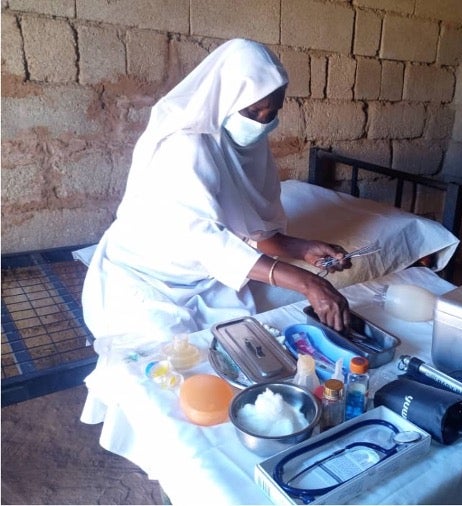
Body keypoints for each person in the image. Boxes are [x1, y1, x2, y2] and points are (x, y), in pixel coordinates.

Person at [81, 38, 352, 343]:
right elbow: (205, 241)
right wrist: (306, 283)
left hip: (207, 280)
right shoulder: (185, 145)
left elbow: (256, 233)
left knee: (250, 341)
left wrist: (303, 249)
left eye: (272, 113)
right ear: (225, 98)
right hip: (148, 278)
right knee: (167, 353)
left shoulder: (250, 146)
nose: (262, 123)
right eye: (252, 112)